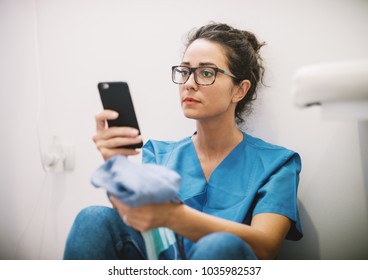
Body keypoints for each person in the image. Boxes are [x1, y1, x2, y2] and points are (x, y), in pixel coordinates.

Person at [63, 22, 302, 260]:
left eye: (206, 73)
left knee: (219, 245)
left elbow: (267, 247)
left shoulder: (277, 164)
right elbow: (137, 222)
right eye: (185, 71)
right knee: (92, 217)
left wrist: (176, 218)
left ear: (239, 90)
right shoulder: (158, 154)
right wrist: (116, 165)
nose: (189, 83)